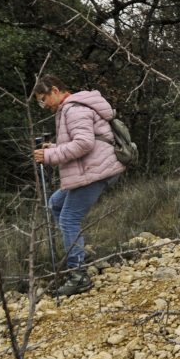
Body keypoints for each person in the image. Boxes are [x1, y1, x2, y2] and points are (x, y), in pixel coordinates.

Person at [32, 75, 125, 297]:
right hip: (93, 169)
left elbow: (84, 143)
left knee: (68, 218)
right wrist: (54, 147)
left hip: (95, 171)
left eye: (43, 100)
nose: (44, 106)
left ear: (55, 90)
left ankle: (79, 275)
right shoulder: (71, 108)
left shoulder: (74, 109)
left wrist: (50, 155)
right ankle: (79, 253)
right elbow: (81, 139)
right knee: (56, 204)